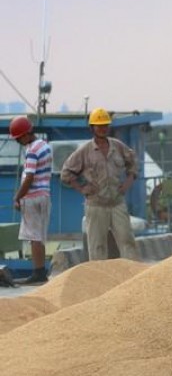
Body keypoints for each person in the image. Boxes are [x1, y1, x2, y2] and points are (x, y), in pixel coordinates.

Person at [60, 107, 140, 261]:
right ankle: (99, 281)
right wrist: (82, 189)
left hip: (117, 203)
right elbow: (66, 173)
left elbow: (133, 163)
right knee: (97, 247)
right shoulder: (84, 151)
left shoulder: (118, 146)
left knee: (127, 242)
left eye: (105, 125)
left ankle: (133, 276)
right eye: (99, 125)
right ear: (92, 128)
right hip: (96, 205)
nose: (103, 128)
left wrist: (127, 183)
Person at [9, 116, 52, 285]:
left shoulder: (32, 150)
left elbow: (29, 177)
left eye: (18, 138)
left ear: (26, 134)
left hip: (32, 198)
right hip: (44, 195)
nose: (19, 141)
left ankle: (38, 273)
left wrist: (17, 197)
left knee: (33, 237)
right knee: (39, 237)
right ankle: (41, 272)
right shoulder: (45, 146)